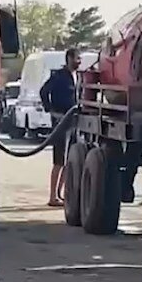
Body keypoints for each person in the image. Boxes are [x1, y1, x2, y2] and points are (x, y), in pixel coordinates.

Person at [40, 48, 81, 207]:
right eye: (77, 58)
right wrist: (50, 110)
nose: (79, 62)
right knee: (59, 160)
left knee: (68, 159)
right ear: (69, 58)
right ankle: (52, 196)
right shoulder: (58, 76)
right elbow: (43, 91)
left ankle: (60, 194)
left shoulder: (77, 76)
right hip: (60, 122)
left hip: (73, 121)